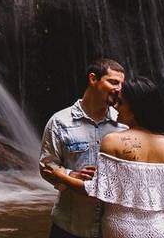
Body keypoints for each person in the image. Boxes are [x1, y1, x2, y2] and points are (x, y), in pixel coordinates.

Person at [61, 76, 164, 238]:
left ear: (136, 108)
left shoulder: (112, 141)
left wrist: (60, 175)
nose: (115, 107)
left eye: (121, 103)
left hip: (122, 227)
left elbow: (96, 191)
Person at [40, 58, 127, 238]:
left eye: (121, 84)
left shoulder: (124, 123)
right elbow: (46, 166)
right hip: (70, 225)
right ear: (93, 79)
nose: (119, 89)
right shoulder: (60, 122)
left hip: (112, 228)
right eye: (113, 82)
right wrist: (70, 175)